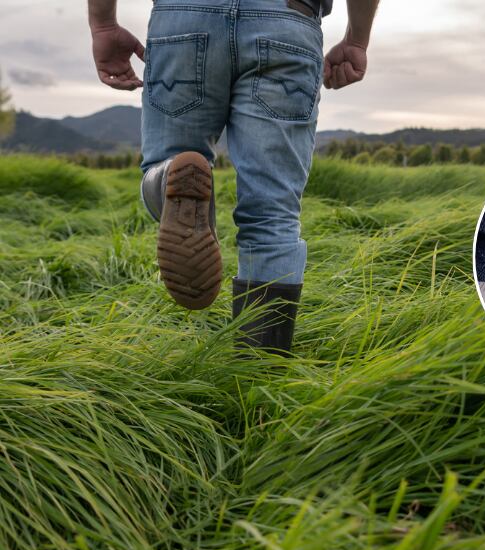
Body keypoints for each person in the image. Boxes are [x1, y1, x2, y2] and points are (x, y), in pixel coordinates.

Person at [88, 0, 378, 354]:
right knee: (273, 217)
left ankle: (166, 181)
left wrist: (103, 24)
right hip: (289, 20)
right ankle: (260, 374)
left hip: (184, 16)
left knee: (168, 159)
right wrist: (356, 39)